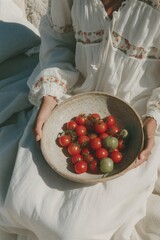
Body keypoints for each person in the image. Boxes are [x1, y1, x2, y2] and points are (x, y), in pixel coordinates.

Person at [1, 0, 160, 239]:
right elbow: (58, 43)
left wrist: (154, 117)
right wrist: (51, 94)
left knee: (73, 230)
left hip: (135, 121)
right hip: (74, 103)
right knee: (19, 201)